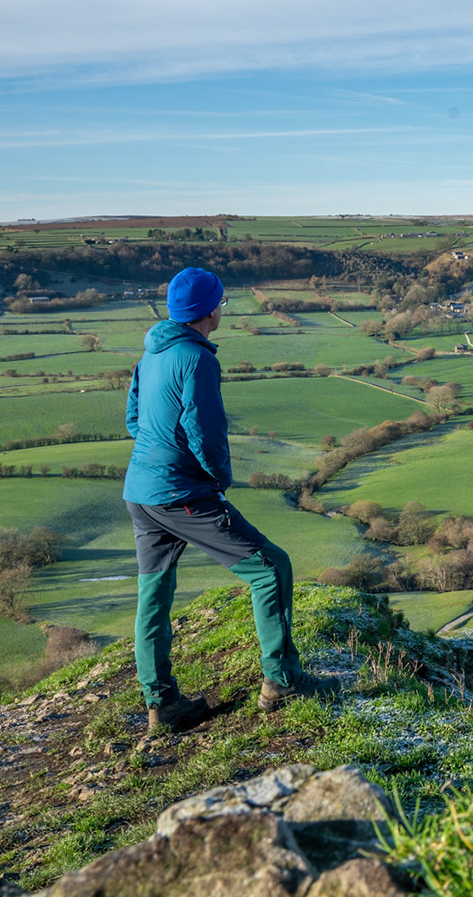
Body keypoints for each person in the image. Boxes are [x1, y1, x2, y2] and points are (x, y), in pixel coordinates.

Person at [124, 267, 337, 730]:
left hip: (140, 492)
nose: (223, 309)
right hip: (180, 492)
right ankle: (282, 682)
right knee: (270, 568)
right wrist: (217, 478)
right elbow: (206, 429)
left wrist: (157, 455)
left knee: (153, 596)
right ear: (210, 310)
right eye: (222, 303)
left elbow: (134, 418)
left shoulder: (152, 352)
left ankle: (162, 705)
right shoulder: (197, 359)